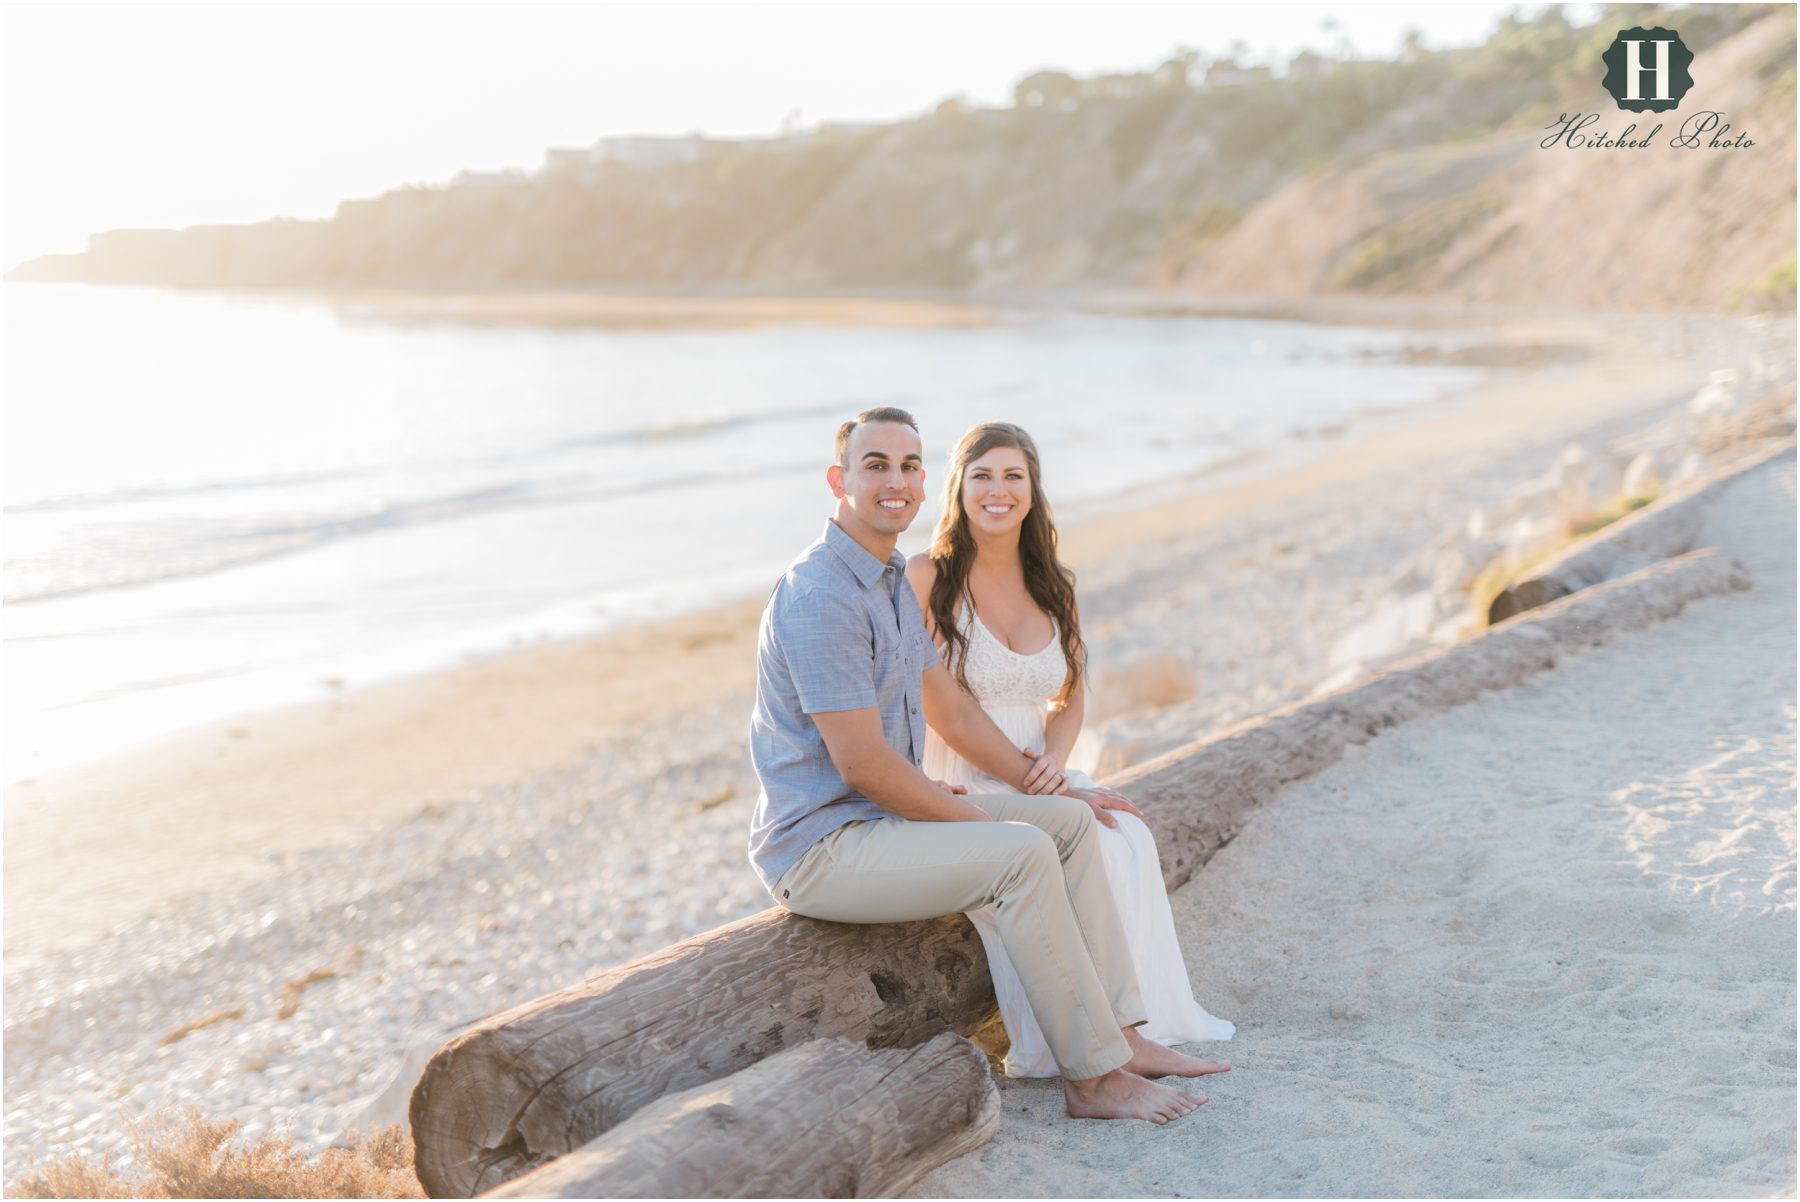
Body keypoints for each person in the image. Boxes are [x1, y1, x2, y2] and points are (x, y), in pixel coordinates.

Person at [749, 406, 1222, 1124]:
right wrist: (979, 819)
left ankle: (1125, 1037)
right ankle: (1093, 1079)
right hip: (822, 848)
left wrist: (1050, 788)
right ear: (837, 480)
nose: (897, 480)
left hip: (878, 818)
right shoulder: (821, 595)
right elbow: (864, 765)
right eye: (876, 464)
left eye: (910, 465)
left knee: (1066, 822)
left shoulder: (884, 583)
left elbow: (949, 719)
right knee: (1023, 855)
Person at [906, 421, 1234, 1078]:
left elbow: (1070, 698)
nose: (998, 491)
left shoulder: (1052, 581)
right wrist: (1038, 785)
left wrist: (1055, 765)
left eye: (1013, 477)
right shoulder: (927, 577)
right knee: (1071, 849)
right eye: (983, 476)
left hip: (1038, 771)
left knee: (1127, 839)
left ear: (1032, 491)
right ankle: (1090, 1042)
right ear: (958, 489)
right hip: (965, 775)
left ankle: (1141, 1027)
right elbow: (948, 715)